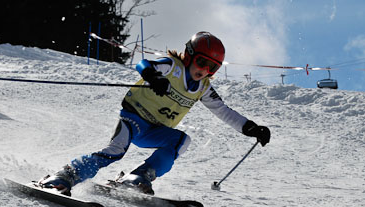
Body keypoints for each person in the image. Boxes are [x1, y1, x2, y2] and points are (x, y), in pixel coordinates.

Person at [39, 31, 271, 196]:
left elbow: (223, 111)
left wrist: (250, 128)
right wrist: (154, 77)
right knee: (116, 151)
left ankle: (139, 176)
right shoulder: (172, 66)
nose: (205, 70)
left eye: (213, 68)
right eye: (201, 62)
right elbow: (144, 64)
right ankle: (65, 175)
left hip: (155, 131)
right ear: (189, 55)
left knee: (181, 141)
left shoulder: (203, 87)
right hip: (134, 119)